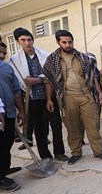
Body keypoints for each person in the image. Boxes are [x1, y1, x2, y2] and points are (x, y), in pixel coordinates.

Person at [42, 29, 102, 165]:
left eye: (70, 42)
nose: (68, 45)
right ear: (58, 42)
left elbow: (92, 78)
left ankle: (99, 152)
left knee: (92, 124)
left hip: (86, 95)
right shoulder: (52, 60)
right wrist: (49, 99)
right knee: (72, 127)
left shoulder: (83, 58)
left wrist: (100, 93)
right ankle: (76, 153)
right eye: (64, 42)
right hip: (67, 97)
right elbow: (48, 81)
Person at [8, 28, 68, 162]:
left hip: (49, 96)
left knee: (56, 125)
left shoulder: (45, 55)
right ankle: (45, 156)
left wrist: (38, 80)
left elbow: (52, 74)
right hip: (32, 99)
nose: (27, 43)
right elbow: (17, 81)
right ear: (18, 42)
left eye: (29, 40)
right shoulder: (14, 61)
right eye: (23, 40)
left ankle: (59, 152)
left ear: (33, 40)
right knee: (39, 129)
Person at [0, 50, 26, 192]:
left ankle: (3, 171)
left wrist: (21, 111)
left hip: (8, 113)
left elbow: (16, 91)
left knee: (7, 143)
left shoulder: (6, 68)